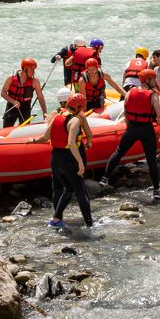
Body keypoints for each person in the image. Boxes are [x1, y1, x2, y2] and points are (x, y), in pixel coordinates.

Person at [101, 69, 160, 200]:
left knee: (119, 152)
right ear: (148, 81)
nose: (155, 81)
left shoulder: (130, 92)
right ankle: (156, 191)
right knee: (151, 160)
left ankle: (104, 177)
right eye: (154, 79)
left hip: (132, 128)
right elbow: (159, 116)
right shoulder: (152, 95)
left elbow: (126, 111)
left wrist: (129, 127)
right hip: (147, 130)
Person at [32, 92, 93, 228]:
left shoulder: (57, 117)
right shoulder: (75, 120)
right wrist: (80, 163)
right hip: (69, 159)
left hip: (55, 158)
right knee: (80, 192)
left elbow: (45, 136)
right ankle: (90, 225)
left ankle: (56, 220)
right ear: (79, 106)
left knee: (67, 189)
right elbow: (71, 142)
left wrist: (33, 140)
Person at [0, 57, 46, 128]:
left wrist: (44, 112)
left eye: (34, 69)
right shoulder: (11, 78)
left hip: (26, 108)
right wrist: (13, 101)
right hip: (12, 106)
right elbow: (3, 93)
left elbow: (40, 97)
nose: (34, 72)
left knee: (25, 128)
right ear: (24, 69)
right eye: (32, 70)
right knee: (6, 128)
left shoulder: (35, 82)